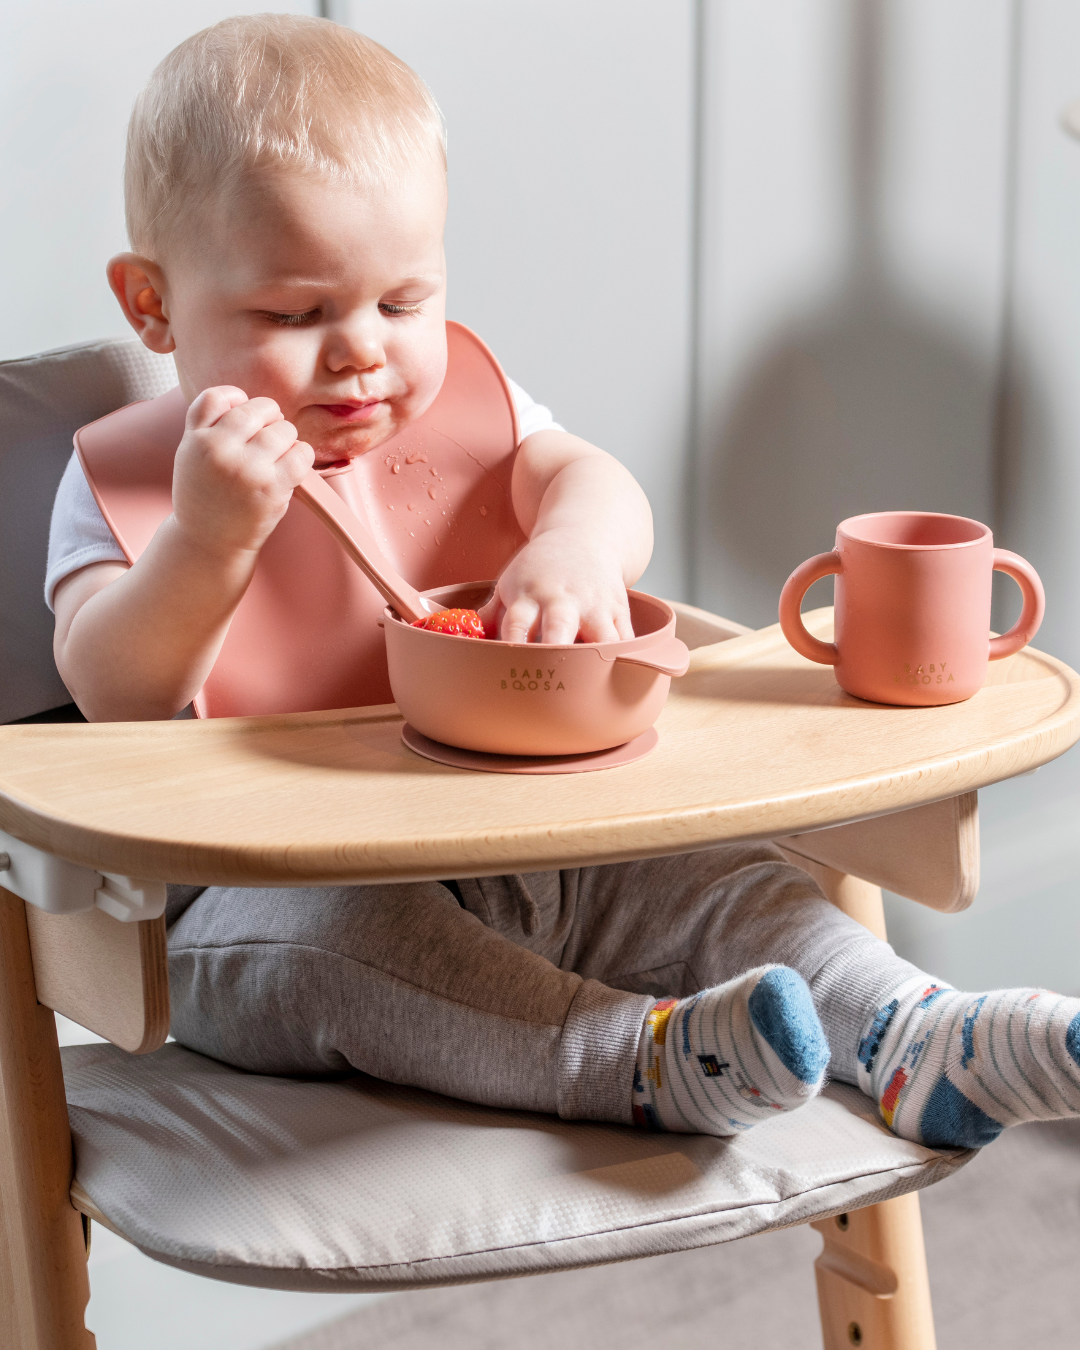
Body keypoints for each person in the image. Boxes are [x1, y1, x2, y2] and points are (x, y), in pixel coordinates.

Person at [48, 14, 1080, 1149]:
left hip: (526, 831)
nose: (360, 351)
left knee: (717, 880)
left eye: (403, 302)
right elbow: (111, 696)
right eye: (293, 314)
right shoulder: (127, 478)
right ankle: (628, 1056)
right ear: (150, 304)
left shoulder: (472, 411)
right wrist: (204, 543)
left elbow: (598, 486)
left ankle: (912, 1032)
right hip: (257, 898)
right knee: (332, 956)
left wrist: (573, 548)